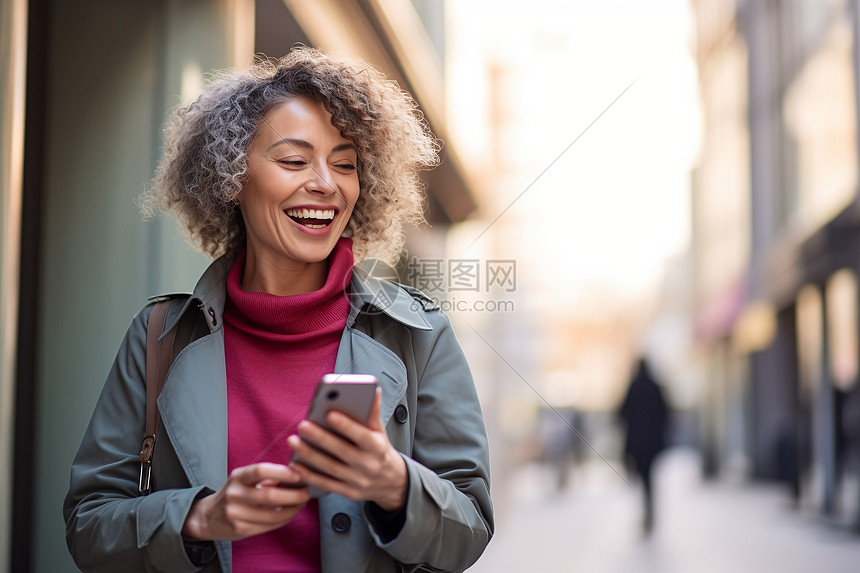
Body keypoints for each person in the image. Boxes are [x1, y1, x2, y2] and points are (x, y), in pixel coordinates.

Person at [64, 47, 493, 573]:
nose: (326, 183)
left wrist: (395, 484)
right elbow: (88, 528)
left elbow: (470, 530)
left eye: (345, 165)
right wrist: (201, 518)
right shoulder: (159, 337)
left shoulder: (419, 335)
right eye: (294, 160)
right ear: (230, 177)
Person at [617, 357, 669, 534]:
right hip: (653, 443)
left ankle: (647, 513)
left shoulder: (633, 387)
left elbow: (621, 413)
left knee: (642, 477)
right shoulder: (656, 387)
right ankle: (650, 513)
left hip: (637, 443)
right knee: (649, 478)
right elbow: (666, 414)